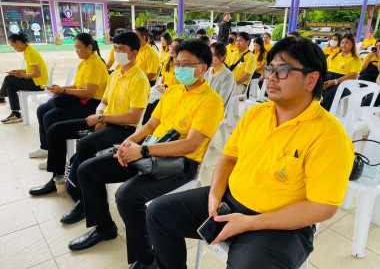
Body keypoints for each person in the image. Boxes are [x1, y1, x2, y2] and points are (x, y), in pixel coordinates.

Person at [146, 37, 355, 269]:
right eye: (270, 69)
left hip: (279, 225)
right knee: (158, 213)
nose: (271, 78)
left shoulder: (329, 135)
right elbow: (228, 157)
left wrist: (249, 223)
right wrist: (215, 196)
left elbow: (322, 207)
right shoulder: (257, 114)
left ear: (312, 79)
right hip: (229, 200)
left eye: (283, 70)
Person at [68, 40, 224, 269]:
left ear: (203, 67)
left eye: (187, 64)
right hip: (149, 150)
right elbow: (150, 125)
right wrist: (127, 143)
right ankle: (104, 227)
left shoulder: (211, 100)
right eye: (177, 63)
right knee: (88, 170)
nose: (179, 68)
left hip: (180, 164)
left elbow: (190, 145)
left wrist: (141, 150)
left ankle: (145, 259)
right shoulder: (172, 92)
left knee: (127, 196)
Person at [28, 32, 150, 221]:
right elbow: (104, 100)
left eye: (122, 49)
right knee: (55, 130)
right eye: (115, 48)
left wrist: (103, 117)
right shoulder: (116, 74)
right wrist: (99, 116)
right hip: (106, 120)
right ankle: (57, 178)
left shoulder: (139, 79)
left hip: (124, 129)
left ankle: (85, 201)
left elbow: (133, 116)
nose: (117, 53)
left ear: (134, 53)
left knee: (84, 145)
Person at [29, 33, 108, 169]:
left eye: (79, 47)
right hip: (83, 99)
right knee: (41, 110)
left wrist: (63, 91)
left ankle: (56, 158)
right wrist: (61, 88)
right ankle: (46, 147)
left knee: (50, 117)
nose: (77, 51)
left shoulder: (94, 63)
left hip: (92, 105)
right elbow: (79, 86)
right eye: (75, 48)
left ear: (89, 47)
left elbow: (89, 91)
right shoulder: (84, 62)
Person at [0, 32, 48, 124]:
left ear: (18, 42)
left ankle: (1, 97)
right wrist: (19, 71)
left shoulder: (31, 53)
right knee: (11, 87)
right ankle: (16, 114)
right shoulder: (27, 51)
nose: (14, 48)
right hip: (35, 81)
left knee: (8, 79)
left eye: (13, 46)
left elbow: (37, 73)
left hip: (38, 83)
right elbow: (30, 69)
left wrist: (22, 75)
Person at [142, 38, 184, 124]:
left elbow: (182, 88)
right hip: (163, 89)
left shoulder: (184, 68)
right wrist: (160, 86)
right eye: (171, 46)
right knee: (144, 100)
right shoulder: (167, 64)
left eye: (176, 47)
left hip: (174, 93)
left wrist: (165, 91)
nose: (172, 49)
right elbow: (163, 80)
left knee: (151, 105)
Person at [321, 33, 362, 111]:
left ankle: (325, 115)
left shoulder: (355, 59)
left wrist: (335, 81)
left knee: (330, 95)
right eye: (342, 42)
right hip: (328, 77)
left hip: (343, 82)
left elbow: (354, 75)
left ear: (352, 44)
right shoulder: (333, 56)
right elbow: (324, 69)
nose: (344, 45)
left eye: (347, 43)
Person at [205, 42, 235, 108]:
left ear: (223, 57)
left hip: (217, 108)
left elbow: (221, 99)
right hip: (205, 105)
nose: (210, 57)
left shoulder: (228, 75)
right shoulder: (207, 71)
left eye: (214, 55)